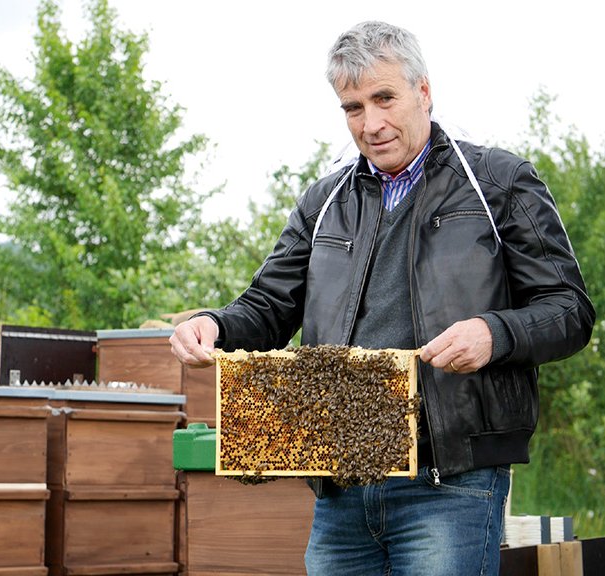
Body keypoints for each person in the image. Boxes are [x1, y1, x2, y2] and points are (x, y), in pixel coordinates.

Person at [169, 20, 594, 576]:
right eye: (352, 107)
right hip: (340, 484)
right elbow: (268, 306)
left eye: (384, 98)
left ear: (423, 91)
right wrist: (214, 326)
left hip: (450, 484)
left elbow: (570, 309)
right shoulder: (324, 201)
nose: (371, 124)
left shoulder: (499, 182)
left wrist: (494, 334)